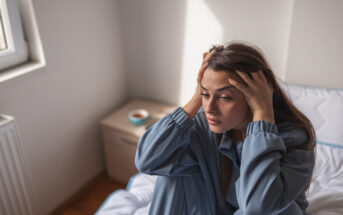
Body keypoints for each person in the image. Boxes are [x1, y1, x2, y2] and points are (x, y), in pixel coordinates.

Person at [135, 41, 316, 215]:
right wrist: (195, 100)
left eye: (225, 97)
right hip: (215, 207)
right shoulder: (207, 123)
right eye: (205, 94)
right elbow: (147, 161)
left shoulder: (294, 137)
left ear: (256, 95)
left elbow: (257, 208)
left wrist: (262, 112)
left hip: (275, 212)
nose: (210, 108)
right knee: (172, 174)